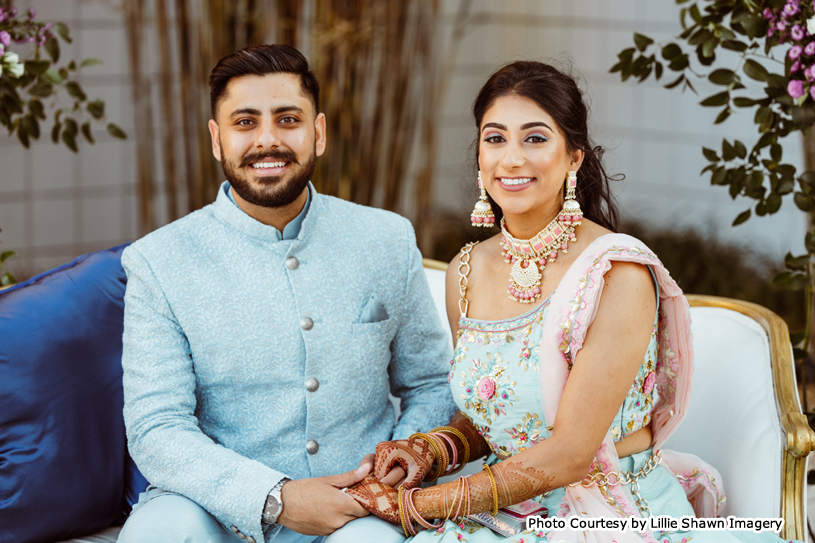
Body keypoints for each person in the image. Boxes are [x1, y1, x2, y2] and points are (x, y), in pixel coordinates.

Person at [344, 61, 804, 543]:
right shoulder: (466, 271)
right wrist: (435, 451)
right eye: (495, 138)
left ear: (574, 157)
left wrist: (418, 504)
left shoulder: (616, 272)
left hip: (607, 515)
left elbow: (569, 453)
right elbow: (501, 417)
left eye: (535, 138)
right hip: (501, 511)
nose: (512, 159)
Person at [117, 44, 457, 543]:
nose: (268, 140)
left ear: (317, 133)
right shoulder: (159, 261)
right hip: (216, 510)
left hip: (358, 508)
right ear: (217, 140)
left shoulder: (385, 239)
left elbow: (429, 384)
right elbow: (157, 427)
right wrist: (273, 497)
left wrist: (402, 459)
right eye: (245, 123)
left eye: (288, 119)